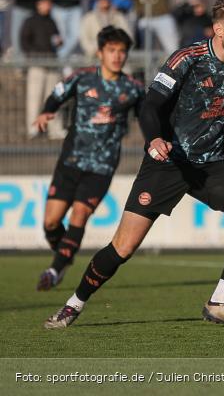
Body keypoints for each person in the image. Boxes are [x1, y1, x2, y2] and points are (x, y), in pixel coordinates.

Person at [43, 0, 224, 330]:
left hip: (210, 165)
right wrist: (154, 140)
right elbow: (150, 105)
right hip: (168, 162)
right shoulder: (187, 58)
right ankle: (73, 304)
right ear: (218, 29)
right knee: (123, 247)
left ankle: (221, 300)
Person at [34, 27, 143, 291]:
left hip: (102, 167)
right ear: (100, 52)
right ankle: (66, 255)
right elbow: (57, 95)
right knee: (50, 222)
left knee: (80, 213)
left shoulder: (133, 88)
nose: (117, 56)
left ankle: (55, 269)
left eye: (122, 51)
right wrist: (47, 112)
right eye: (112, 50)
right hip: (70, 161)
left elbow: (148, 118)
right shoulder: (82, 78)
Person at [21, 0, 64, 139]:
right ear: (38, 4)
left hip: (52, 63)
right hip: (37, 65)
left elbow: (57, 39)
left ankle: (55, 129)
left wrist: (59, 42)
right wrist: (34, 56)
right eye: (45, 3)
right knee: (34, 98)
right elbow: (24, 42)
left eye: (49, 3)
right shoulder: (30, 21)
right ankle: (33, 128)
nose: (48, 6)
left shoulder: (51, 21)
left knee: (54, 98)